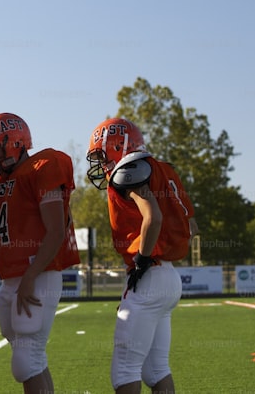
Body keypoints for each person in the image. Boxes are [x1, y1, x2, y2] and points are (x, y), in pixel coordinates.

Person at [86, 117, 198, 394]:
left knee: (124, 372)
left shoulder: (131, 170)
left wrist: (142, 260)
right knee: (157, 369)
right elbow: (191, 227)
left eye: (102, 154)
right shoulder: (164, 170)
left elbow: (153, 216)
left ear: (118, 146)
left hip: (150, 273)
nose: (100, 164)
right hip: (169, 277)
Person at [0, 112, 80, 394]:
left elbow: (56, 230)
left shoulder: (43, 166)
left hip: (38, 272)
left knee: (25, 362)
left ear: (15, 144)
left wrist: (32, 276)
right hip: (11, 277)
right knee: (30, 356)